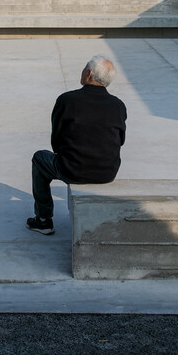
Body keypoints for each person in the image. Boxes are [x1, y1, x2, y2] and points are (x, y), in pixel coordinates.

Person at [26, 54, 127, 235]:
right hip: (107, 172)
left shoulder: (67, 100)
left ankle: (43, 219)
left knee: (39, 158)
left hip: (73, 170)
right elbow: (120, 140)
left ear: (89, 74)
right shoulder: (118, 105)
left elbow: (56, 141)